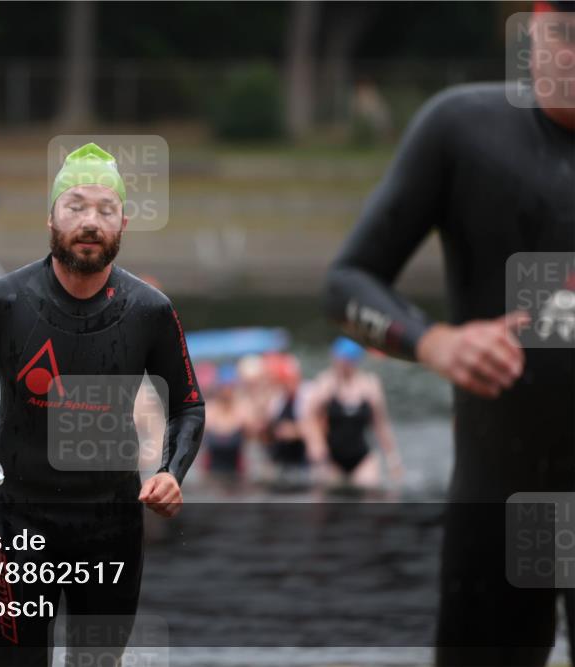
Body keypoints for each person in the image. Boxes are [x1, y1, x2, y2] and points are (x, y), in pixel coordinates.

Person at [323, 3, 574, 663]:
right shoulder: (463, 128)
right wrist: (436, 343)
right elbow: (347, 283)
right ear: (529, 32)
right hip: (497, 497)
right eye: (565, 32)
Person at [0, 142, 205, 666]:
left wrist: (173, 471)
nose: (90, 222)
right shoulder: (5, 302)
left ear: (124, 224)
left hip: (111, 526)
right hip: (17, 522)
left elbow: (189, 405)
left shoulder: (150, 310)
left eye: (105, 209)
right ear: (50, 217)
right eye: (75, 206)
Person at [301, 338, 403, 488]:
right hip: (331, 458)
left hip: (361, 457)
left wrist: (392, 458)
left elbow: (381, 425)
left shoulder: (369, 386)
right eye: (339, 359)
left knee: (369, 493)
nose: (342, 364)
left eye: (347, 361)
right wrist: (315, 444)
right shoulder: (325, 384)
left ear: (355, 361)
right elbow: (308, 418)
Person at [262, 352, 310, 485]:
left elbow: (318, 426)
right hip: (281, 458)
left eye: (291, 379)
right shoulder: (278, 399)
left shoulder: (308, 395)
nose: (288, 384)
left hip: (302, 459)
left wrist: (294, 431)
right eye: (285, 380)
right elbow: (268, 429)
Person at [200, 364, 247, 489]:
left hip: (236, 474)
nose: (226, 391)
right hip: (212, 473)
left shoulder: (243, 410)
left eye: (230, 387)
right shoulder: (209, 410)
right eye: (224, 387)